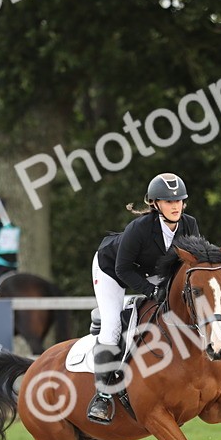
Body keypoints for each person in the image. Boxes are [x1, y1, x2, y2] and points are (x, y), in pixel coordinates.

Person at [86, 172, 199, 424]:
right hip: (111, 269)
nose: (175, 206)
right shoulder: (139, 228)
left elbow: (190, 264)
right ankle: (102, 396)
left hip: (152, 272)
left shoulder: (190, 225)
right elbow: (122, 270)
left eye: (179, 201)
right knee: (112, 326)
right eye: (169, 202)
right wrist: (150, 291)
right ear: (155, 204)